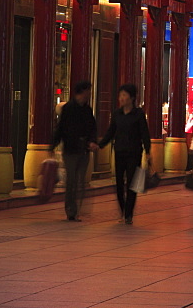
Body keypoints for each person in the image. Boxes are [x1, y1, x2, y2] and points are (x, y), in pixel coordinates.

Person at [99, 84, 151, 224]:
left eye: (124, 95)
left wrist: (148, 150)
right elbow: (111, 132)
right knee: (119, 183)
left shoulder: (139, 114)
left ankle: (128, 213)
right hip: (120, 151)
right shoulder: (117, 114)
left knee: (132, 184)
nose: (121, 98)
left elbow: (144, 133)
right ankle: (123, 210)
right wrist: (100, 145)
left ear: (132, 98)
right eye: (120, 95)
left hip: (134, 152)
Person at [51, 80, 98, 221]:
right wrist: (53, 144)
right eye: (88, 91)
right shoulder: (68, 108)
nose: (89, 94)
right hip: (70, 150)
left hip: (84, 150)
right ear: (81, 92)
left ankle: (77, 209)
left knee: (80, 181)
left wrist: (93, 141)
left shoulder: (88, 110)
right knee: (71, 181)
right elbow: (61, 128)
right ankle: (71, 210)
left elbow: (92, 128)